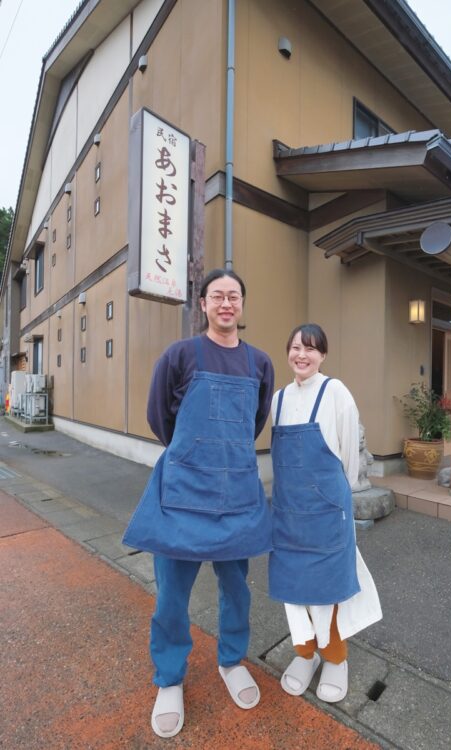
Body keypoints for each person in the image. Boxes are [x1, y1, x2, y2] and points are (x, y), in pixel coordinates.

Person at [123, 269, 274, 738]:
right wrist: (192, 452)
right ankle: (169, 678)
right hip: (182, 493)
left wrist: (225, 456)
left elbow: (256, 420)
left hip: (238, 493)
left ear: (242, 305)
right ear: (203, 305)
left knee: (237, 588)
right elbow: (158, 415)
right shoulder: (180, 355)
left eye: (234, 296)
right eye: (217, 296)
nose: (226, 303)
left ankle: (232, 660)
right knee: (171, 593)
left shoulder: (260, 363)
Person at [269, 323, 381, 703]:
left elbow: (349, 460)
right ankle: (305, 654)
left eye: (311, 349)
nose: (302, 355)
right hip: (286, 512)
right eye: (296, 346)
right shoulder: (279, 399)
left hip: (326, 511)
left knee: (327, 589)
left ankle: (335, 658)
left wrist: (329, 498)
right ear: (288, 351)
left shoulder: (336, 393)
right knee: (292, 588)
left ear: (323, 356)